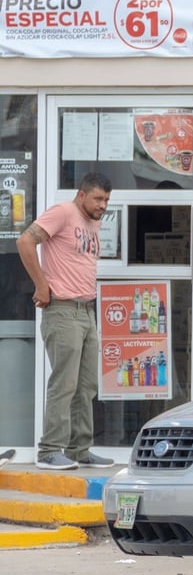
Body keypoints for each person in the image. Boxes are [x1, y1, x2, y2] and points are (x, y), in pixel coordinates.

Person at [16, 172, 115, 471]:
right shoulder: (63, 212)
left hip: (86, 310)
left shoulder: (92, 222)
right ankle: (49, 450)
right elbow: (24, 241)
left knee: (87, 385)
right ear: (81, 194)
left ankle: (79, 449)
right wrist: (41, 285)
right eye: (98, 198)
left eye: (107, 200)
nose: (103, 205)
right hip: (62, 310)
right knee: (65, 383)